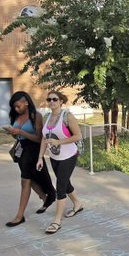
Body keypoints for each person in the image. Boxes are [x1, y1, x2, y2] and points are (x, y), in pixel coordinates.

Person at [4, 91, 57, 227]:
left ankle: (19, 216)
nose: (16, 109)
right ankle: (46, 197)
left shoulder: (35, 116)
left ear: (26, 102)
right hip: (21, 149)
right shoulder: (16, 116)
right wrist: (13, 133)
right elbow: (17, 137)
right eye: (14, 107)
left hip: (33, 150)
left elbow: (39, 139)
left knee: (25, 181)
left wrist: (21, 132)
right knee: (30, 179)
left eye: (18, 106)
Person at [37, 91, 84, 234]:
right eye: (49, 99)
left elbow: (78, 136)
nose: (51, 101)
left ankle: (56, 222)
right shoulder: (46, 118)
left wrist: (59, 141)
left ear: (61, 101)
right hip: (54, 157)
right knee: (64, 182)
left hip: (69, 156)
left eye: (55, 99)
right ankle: (78, 203)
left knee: (60, 187)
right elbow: (44, 139)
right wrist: (40, 158)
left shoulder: (67, 116)